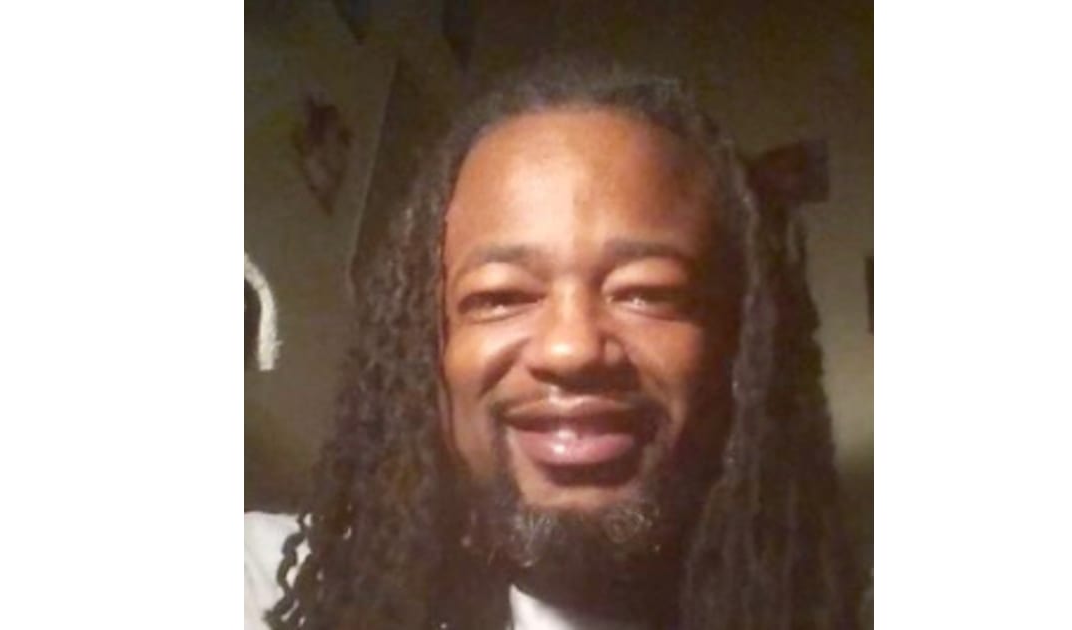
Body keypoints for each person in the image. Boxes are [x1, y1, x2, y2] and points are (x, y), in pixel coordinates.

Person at [246, 61, 859, 630]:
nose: (571, 349)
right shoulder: (259, 584)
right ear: (427, 345)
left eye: (647, 292)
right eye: (500, 296)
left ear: (740, 344)